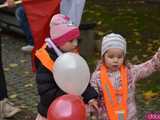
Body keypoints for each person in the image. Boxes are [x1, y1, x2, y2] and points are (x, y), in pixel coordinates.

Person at [34, 14, 98, 120]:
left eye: (76, 39)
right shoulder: (46, 62)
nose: (75, 43)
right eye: (71, 41)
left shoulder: (72, 55)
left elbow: (81, 80)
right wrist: (69, 95)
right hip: (50, 113)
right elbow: (46, 91)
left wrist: (90, 97)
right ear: (59, 41)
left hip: (72, 111)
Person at [90, 33, 160, 120]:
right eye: (111, 57)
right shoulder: (97, 76)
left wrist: (158, 57)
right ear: (103, 57)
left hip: (129, 117)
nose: (115, 60)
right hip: (106, 117)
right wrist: (92, 101)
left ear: (124, 57)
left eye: (119, 57)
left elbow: (149, 66)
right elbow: (92, 91)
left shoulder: (130, 72)